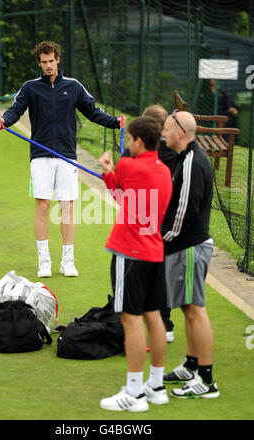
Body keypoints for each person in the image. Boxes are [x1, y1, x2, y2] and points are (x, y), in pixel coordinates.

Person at [0, 41, 120, 278]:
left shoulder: (73, 86)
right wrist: (4, 121)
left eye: (52, 61)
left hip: (66, 156)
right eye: (44, 62)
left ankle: (67, 261)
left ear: (58, 60)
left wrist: (115, 122)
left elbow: (93, 112)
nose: (49, 65)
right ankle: (44, 261)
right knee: (42, 206)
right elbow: (15, 110)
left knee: (67, 207)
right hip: (40, 156)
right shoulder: (30, 88)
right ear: (39, 63)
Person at [98, 116, 172, 412]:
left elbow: (117, 193)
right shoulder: (165, 171)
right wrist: (110, 173)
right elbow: (126, 198)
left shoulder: (129, 165)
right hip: (154, 253)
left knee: (131, 319)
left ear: (139, 142)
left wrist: (109, 171)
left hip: (129, 253)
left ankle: (134, 394)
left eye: (129, 140)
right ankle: (155, 386)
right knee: (154, 316)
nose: (127, 145)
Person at [161, 110, 220, 399]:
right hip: (186, 245)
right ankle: (191, 363)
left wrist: (161, 238)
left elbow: (183, 212)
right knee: (187, 307)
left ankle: (206, 379)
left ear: (180, 133)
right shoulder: (186, 157)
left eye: (167, 128)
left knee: (195, 309)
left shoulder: (191, 163)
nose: (163, 133)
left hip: (188, 247)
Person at [122, 104, 177, 342]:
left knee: (133, 278)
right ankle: (165, 323)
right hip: (167, 226)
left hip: (139, 231)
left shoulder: (129, 157)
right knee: (162, 276)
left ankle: (131, 321)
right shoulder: (177, 154)